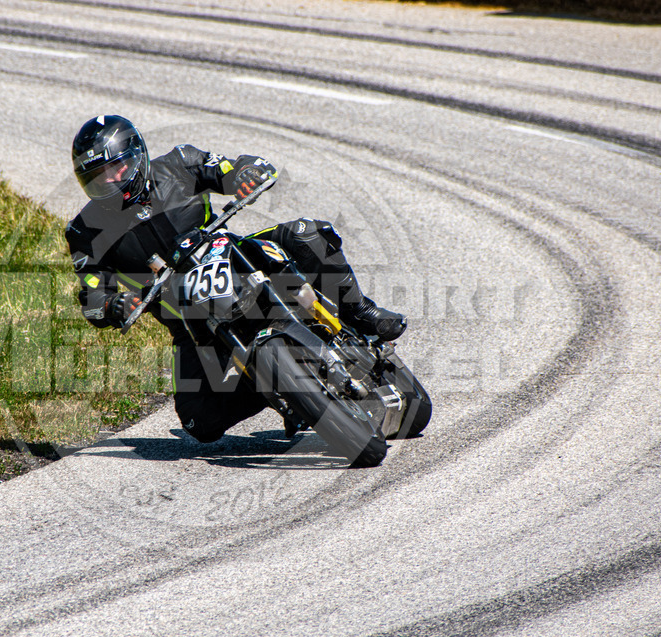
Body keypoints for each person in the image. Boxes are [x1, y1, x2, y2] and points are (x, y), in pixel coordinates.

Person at [65, 115, 406, 442]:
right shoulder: (84, 231)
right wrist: (112, 303)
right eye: (98, 175)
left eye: (117, 167)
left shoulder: (179, 163)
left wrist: (247, 172)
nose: (110, 179)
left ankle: (360, 310)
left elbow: (231, 167)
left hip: (236, 260)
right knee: (199, 421)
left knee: (305, 233)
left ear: (137, 156)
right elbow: (92, 293)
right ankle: (282, 389)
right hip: (190, 322)